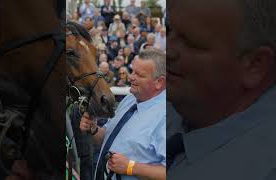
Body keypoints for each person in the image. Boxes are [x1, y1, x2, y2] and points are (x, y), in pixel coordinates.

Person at [168, 0, 276, 179]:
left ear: (254, 65)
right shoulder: (183, 102)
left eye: (190, 42)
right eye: (169, 29)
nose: (167, 50)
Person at [80, 49, 166, 180]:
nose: (131, 77)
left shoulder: (167, 118)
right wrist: (93, 129)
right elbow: (106, 137)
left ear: (159, 82)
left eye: (139, 75)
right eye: (132, 71)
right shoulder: (130, 99)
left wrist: (131, 167)